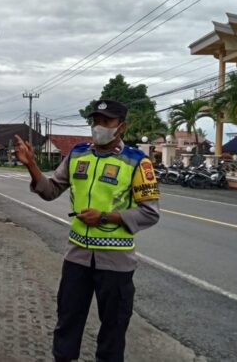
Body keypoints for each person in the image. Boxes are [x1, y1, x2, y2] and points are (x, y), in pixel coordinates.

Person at [14, 99, 160, 362]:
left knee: (113, 331)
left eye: (106, 122)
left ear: (121, 126)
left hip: (116, 264)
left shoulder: (138, 162)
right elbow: (50, 191)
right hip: (77, 258)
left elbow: (150, 213)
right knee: (67, 322)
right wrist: (31, 166)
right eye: (95, 121)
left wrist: (106, 217)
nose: (98, 127)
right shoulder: (78, 154)